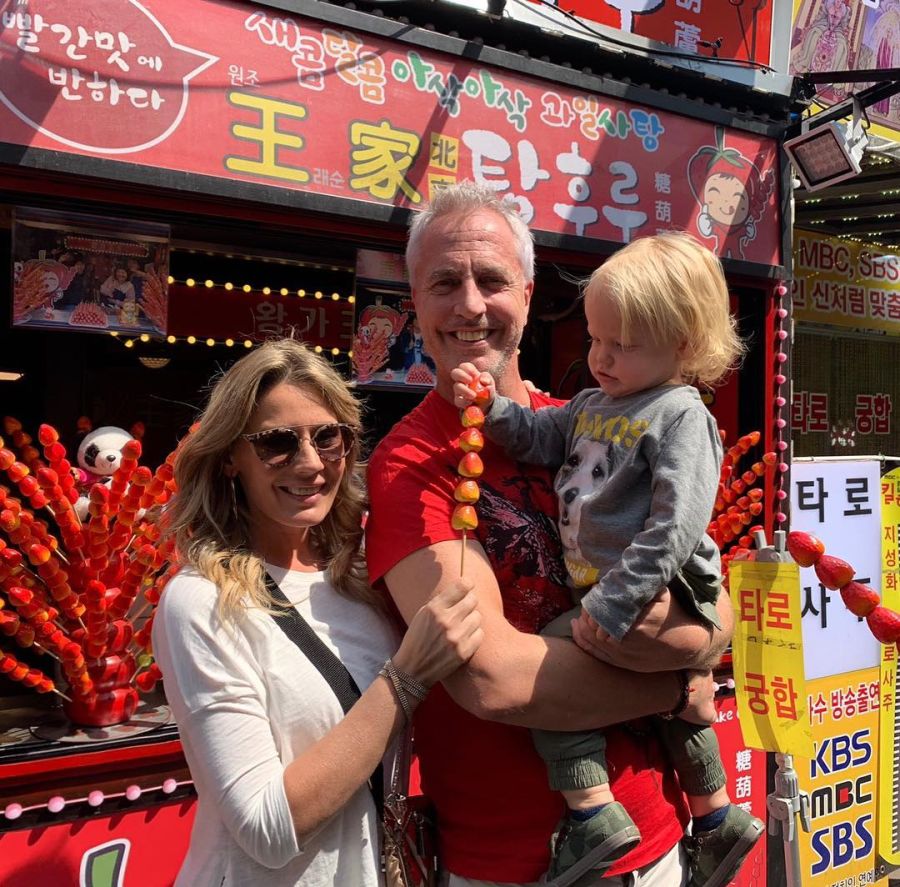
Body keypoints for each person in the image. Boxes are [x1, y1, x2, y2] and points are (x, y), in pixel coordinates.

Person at [365, 181, 734, 887]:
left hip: (656, 843)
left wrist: (704, 642)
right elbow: (493, 678)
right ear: (415, 300)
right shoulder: (409, 463)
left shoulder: (604, 419)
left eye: (492, 279)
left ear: (529, 296)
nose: (470, 303)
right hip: (514, 865)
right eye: (445, 282)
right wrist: (680, 678)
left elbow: (711, 596)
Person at [451, 232, 764, 887]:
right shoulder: (592, 404)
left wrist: (615, 603)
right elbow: (539, 434)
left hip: (660, 582)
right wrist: (492, 407)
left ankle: (594, 812)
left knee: (544, 681)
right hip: (620, 589)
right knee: (681, 707)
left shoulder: (681, 415)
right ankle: (714, 818)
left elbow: (677, 525)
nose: (601, 357)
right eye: (595, 338)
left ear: (681, 344)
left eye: (622, 344)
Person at [152, 339, 483, 886]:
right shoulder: (203, 601)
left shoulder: (358, 578)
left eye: (328, 437)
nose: (309, 463)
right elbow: (265, 828)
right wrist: (405, 678)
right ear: (231, 456)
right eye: (277, 443)